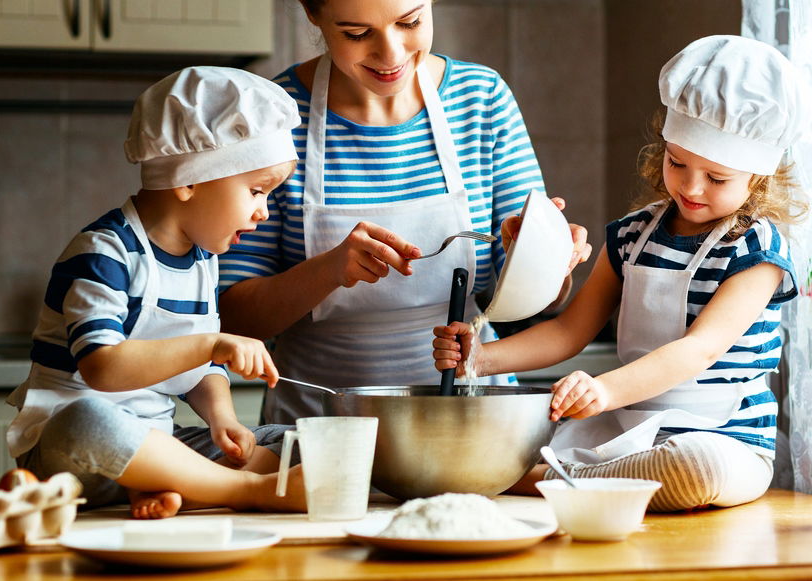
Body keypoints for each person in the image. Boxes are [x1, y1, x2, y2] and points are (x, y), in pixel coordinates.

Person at [433, 35, 812, 512]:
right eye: (677, 162)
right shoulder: (631, 237)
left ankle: (540, 479)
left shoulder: (758, 250)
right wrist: (480, 359)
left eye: (717, 178)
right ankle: (579, 479)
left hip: (727, 441)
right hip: (627, 432)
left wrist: (605, 389)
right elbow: (570, 331)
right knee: (546, 439)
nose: (691, 187)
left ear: (759, 176)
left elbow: (700, 349)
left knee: (698, 466)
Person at [216, 0, 592, 424]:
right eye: (357, 33)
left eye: (410, 21)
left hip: (469, 422)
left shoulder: (481, 99)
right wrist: (327, 271)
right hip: (319, 426)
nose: (391, 54)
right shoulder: (274, 116)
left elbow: (541, 303)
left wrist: (547, 260)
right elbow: (233, 317)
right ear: (313, 13)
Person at [5, 66, 309, 519]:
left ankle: (169, 485)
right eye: (256, 191)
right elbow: (102, 368)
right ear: (189, 180)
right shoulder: (105, 251)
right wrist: (212, 343)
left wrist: (221, 418)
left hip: (157, 444)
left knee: (296, 444)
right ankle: (247, 490)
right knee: (87, 422)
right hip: (72, 453)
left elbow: (198, 370)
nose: (264, 211)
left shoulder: (203, 260)